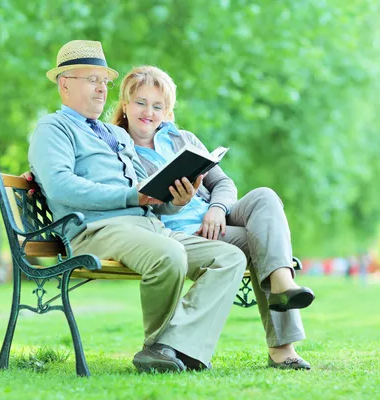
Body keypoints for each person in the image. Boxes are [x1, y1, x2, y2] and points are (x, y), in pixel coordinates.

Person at [28, 40, 248, 373]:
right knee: (169, 255)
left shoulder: (114, 134)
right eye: (92, 80)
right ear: (65, 83)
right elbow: (61, 186)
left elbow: (149, 200)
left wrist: (176, 201)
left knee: (230, 257)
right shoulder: (53, 128)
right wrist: (134, 197)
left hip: (148, 227)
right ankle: (160, 347)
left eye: (105, 82)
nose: (102, 89)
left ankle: (169, 348)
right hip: (95, 230)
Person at [108, 65, 316, 370]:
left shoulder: (182, 139)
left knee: (265, 197)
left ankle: (283, 286)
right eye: (140, 103)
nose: (148, 112)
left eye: (158, 106)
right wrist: (179, 203)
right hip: (180, 233)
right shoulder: (119, 148)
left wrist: (218, 209)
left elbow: (223, 183)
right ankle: (282, 348)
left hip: (216, 220)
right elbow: (139, 207)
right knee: (263, 245)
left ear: (167, 110)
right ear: (125, 105)